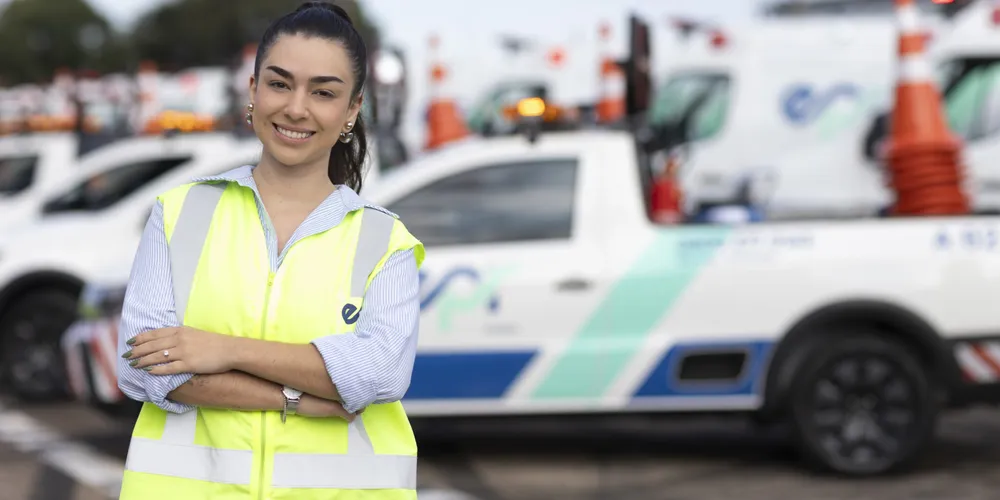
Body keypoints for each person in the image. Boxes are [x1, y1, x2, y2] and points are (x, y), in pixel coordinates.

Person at [114, 3, 424, 499]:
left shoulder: (384, 240)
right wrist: (295, 397)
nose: (296, 108)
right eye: (279, 84)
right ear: (252, 90)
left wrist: (224, 349)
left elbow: (377, 374)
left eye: (323, 92)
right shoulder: (179, 212)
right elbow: (139, 365)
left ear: (351, 110)